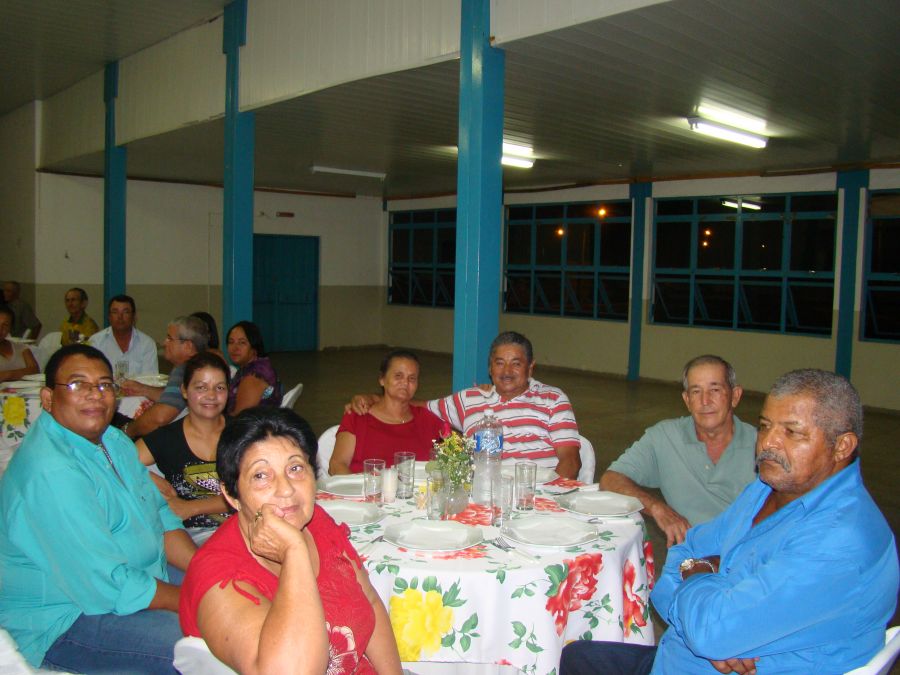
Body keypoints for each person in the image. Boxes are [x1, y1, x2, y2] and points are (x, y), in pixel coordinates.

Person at [560, 369, 899, 675]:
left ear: (842, 446)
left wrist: (700, 582)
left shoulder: (838, 541)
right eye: (765, 426)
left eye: (792, 432)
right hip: (679, 656)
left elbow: (709, 628)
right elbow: (685, 551)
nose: (768, 443)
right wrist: (705, 605)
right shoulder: (766, 489)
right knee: (576, 657)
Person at [0, 344, 196, 673]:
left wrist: (203, 570)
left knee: (235, 591)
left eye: (105, 384)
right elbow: (105, 582)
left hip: (137, 574)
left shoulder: (113, 441)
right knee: (207, 644)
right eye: (78, 384)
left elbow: (159, 516)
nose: (95, 394)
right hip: (66, 614)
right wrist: (193, 602)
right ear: (48, 398)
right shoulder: (51, 470)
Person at [179, 407, 403, 674]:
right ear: (231, 494)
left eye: (295, 468)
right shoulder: (218, 576)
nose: (286, 489)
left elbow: (371, 602)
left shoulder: (316, 522)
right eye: (261, 475)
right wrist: (294, 552)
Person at [352, 332, 581, 479]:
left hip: (534, 491)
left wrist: (546, 497)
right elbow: (415, 405)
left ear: (530, 367)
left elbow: (570, 461)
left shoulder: (552, 399)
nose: (507, 371)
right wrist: (373, 398)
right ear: (489, 367)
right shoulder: (468, 399)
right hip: (482, 494)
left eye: (516, 364)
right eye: (499, 363)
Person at [600, 355, 757, 546]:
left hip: (748, 552)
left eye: (715, 390)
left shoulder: (761, 446)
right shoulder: (664, 437)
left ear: (735, 396)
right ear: (687, 400)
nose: (705, 401)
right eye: (696, 391)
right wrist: (656, 508)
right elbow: (610, 480)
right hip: (689, 555)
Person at [136, 352, 231, 545]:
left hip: (241, 528)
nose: (211, 395)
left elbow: (252, 495)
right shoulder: (167, 438)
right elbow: (116, 461)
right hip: (189, 537)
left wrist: (191, 507)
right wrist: (147, 477)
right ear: (185, 391)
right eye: (201, 387)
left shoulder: (242, 434)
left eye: (219, 387)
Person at [331, 349, 445, 474]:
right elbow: (336, 465)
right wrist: (358, 486)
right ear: (382, 379)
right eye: (398, 376)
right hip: (366, 485)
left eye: (412, 378)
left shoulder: (428, 420)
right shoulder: (358, 417)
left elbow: (453, 456)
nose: (405, 383)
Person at [124, 315, 209, 439]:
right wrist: (143, 389)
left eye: (170, 338)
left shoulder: (186, 370)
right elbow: (174, 397)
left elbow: (160, 418)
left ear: (188, 346)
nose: (164, 343)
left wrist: (127, 431)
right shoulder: (203, 365)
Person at [88, 294, 159, 375]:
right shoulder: (96, 342)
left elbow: (150, 379)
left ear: (134, 317)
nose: (120, 317)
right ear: (109, 317)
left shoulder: (147, 344)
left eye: (125, 312)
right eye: (115, 312)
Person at [225, 320, 283, 414]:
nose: (235, 348)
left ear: (254, 347)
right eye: (231, 342)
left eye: (242, 343)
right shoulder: (257, 365)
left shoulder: (252, 378)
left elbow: (239, 418)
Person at [0, 306, 39, 382]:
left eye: (5, 325)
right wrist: (22, 373)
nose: (0, 329)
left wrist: (8, 374)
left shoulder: (22, 348)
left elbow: (35, 370)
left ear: (10, 328)